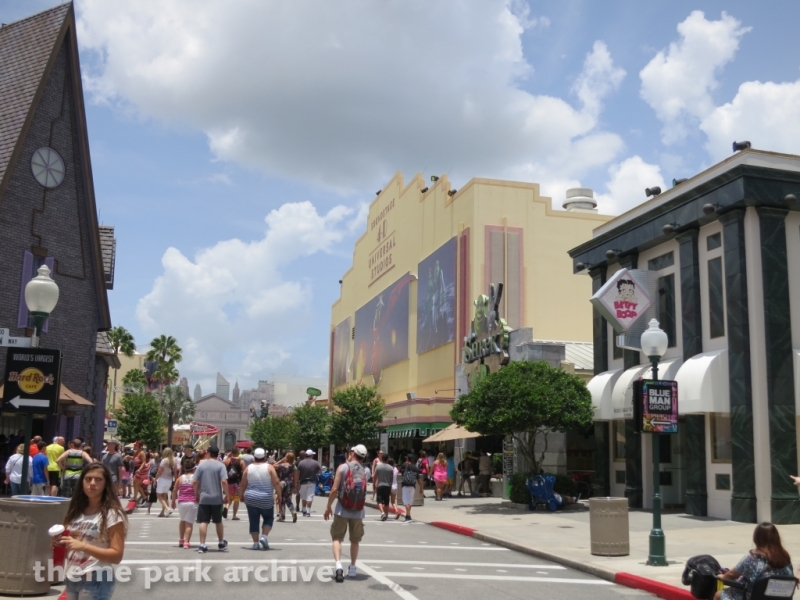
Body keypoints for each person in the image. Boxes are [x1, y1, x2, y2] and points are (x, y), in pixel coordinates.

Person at [53, 462, 127, 600]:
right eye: (88, 479)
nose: (92, 483)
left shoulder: (112, 514)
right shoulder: (75, 511)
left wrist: (83, 547)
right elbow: (71, 544)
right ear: (82, 482)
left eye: (98, 480)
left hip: (96, 579)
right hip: (72, 576)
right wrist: (59, 543)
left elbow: (116, 555)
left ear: (106, 484)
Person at [324, 444, 369, 582]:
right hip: (358, 510)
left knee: (337, 538)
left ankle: (338, 565)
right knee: (355, 540)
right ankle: (353, 567)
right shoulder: (366, 470)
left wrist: (328, 507)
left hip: (342, 509)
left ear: (352, 453)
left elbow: (334, 489)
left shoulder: (342, 467)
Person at [715, 522, 793, 600]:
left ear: (756, 538)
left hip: (754, 597)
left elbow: (731, 574)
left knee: (719, 595)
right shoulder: (786, 558)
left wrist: (721, 576)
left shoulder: (752, 558)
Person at [240, 447, 281, 550]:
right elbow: (276, 482)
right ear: (265, 457)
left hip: (251, 497)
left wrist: (241, 494)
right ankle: (264, 536)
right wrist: (279, 495)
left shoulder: (248, 468)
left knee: (253, 520)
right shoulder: (269, 467)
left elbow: (243, 484)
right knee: (268, 518)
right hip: (266, 497)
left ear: (254, 457)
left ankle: (255, 543)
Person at [192, 446, 228, 553]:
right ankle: (221, 542)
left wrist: (196, 494)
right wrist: (227, 496)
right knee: (218, 521)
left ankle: (202, 545)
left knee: (204, 521)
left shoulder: (201, 466)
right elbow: (224, 482)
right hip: (217, 497)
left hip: (204, 497)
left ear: (208, 453)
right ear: (218, 454)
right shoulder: (221, 466)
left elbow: (194, 482)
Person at [172, 457, 198, 549]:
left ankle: (181, 539)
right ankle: (187, 542)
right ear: (194, 469)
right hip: (192, 502)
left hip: (181, 502)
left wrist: (173, 501)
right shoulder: (195, 478)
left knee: (182, 520)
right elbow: (197, 490)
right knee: (189, 523)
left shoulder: (180, 478)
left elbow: (175, 490)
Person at [297, 449, 321, 517]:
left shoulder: (301, 463)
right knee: (310, 496)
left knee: (303, 496)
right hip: (312, 482)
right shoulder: (316, 463)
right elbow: (320, 471)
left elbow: (298, 473)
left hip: (303, 481)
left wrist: (297, 482)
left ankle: (304, 510)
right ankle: (308, 511)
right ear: (311, 455)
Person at [223, 448, 243, 520]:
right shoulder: (241, 461)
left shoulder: (228, 460)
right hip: (236, 482)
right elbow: (244, 472)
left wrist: (228, 456)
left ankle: (226, 508)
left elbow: (222, 465)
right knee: (236, 499)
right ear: (238, 452)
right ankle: (234, 515)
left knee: (229, 497)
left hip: (228, 482)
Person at [155, 448, 175, 517]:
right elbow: (175, 471)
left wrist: (155, 480)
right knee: (164, 495)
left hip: (163, 479)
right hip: (169, 479)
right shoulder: (173, 460)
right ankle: (162, 512)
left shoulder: (164, 460)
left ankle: (167, 508)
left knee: (158, 495)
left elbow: (159, 471)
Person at [398, 454, 419, 522]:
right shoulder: (415, 468)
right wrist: (421, 487)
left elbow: (400, 470)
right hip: (412, 485)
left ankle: (408, 516)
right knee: (410, 501)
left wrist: (405, 463)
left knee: (406, 501)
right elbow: (418, 479)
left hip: (405, 485)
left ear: (407, 459)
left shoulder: (404, 465)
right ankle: (408, 515)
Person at [374, 454, 394, 520]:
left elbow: (375, 476)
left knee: (379, 501)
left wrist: (374, 484)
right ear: (387, 459)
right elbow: (391, 478)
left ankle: (382, 513)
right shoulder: (391, 468)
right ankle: (386, 514)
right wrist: (390, 486)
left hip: (380, 485)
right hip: (387, 486)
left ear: (382, 459)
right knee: (386, 501)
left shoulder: (378, 467)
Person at [131, 442, 148, 506]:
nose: (134, 446)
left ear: (138, 446)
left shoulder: (142, 453)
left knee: (135, 483)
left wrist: (139, 469)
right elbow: (133, 459)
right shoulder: (136, 452)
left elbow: (144, 462)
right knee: (136, 484)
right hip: (136, 469)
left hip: (141, 470)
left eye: (135, 445)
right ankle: (144, 498)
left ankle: (135, 497)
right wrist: (129, 457)